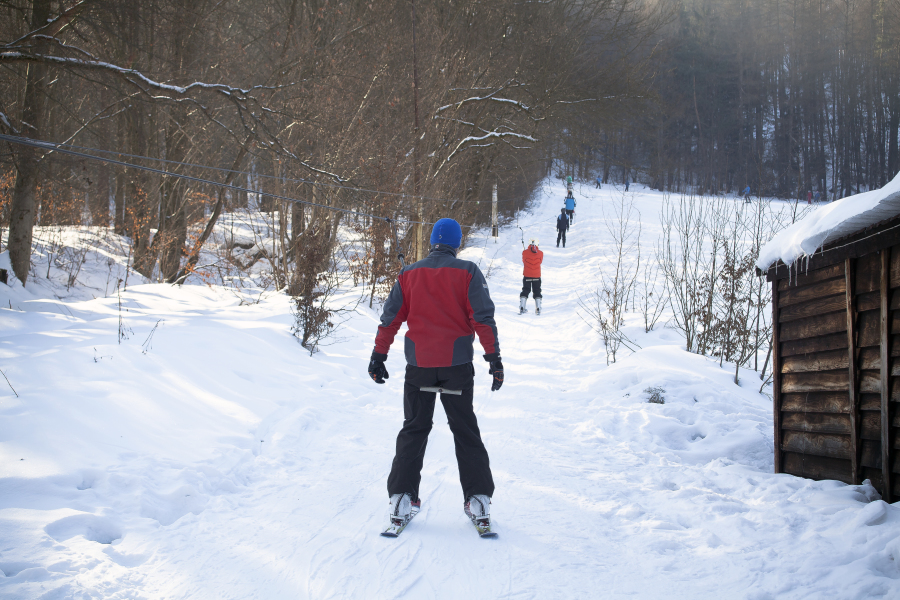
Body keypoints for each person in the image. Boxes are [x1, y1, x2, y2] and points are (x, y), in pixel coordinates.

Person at [368, 218, 502, 534]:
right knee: (465, 430)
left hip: (420, 368)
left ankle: (401, 499)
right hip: (457, 368)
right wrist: (494, 359)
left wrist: (378, 356)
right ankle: (478, 499)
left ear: (431, 241)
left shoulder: (408, 275)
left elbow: (389, 320)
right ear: (456, 243)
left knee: (414, 428)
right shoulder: (468, 272)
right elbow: (483, 319)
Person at [520, 238, 543, 315]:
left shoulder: (524, 252)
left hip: (527, 275)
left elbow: (524, 261)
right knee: (537, 291)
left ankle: (522, 306)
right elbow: (540, 262)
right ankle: (538, 308)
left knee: (525, 290)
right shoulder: (540, 253)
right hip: (536, 275)